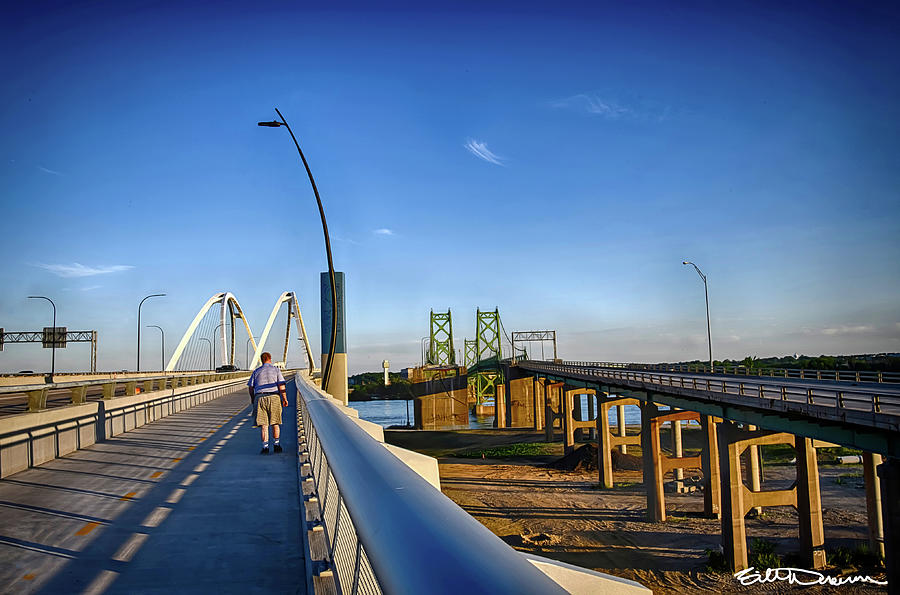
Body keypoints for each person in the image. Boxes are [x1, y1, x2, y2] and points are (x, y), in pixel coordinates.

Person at [247, 352, 288, 454]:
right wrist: (284, 398)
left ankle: (265, 447)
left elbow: (251, 387)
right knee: (275, 422)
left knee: (264, 424)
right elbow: (281, 385)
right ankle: (276, 445)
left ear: (261, 360)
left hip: (260, 398)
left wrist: (253, 398)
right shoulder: (276, 370)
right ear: (270, 359)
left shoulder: (256, 371)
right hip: (274, 397)